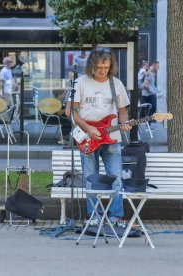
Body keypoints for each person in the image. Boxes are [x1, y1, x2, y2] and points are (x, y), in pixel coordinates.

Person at [65, 47, 131, 226]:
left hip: (111, 137)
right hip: (88, 137)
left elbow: (123, 112)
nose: (103, 71)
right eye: (100, 67)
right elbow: (70, 111)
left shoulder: (116, 84)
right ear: (92, 65)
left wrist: (124, 122)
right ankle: (94, 216)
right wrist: (87, 128)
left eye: (107, 67)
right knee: (90, 179)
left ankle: (116, 216)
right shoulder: (80, 83)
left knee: (116, 178)